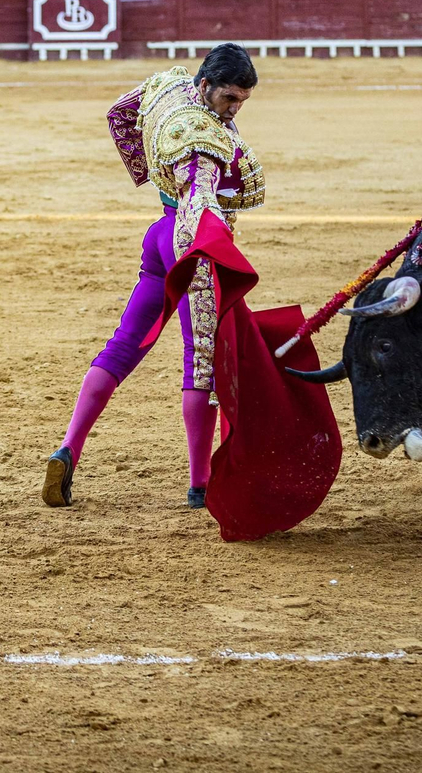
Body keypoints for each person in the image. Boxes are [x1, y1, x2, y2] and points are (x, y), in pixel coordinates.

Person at [43, 46, 265, 510]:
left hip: (159, 236)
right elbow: (200, 201)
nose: (235, 108)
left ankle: (69, 448)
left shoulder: (170, 87)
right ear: (205, 86)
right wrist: (215, 251)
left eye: (242, 100)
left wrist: (148, 172)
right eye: (229, 98)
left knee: (124, 345)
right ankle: (201, 485)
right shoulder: (203, 138)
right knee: (200, 364)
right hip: (192, 245)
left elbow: (121, 114)